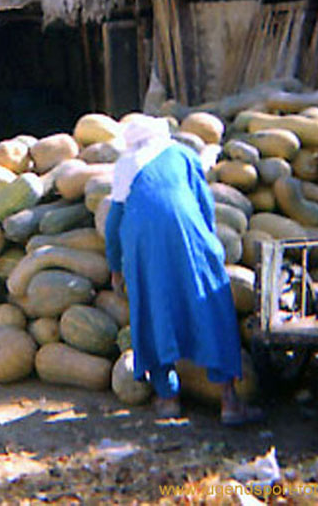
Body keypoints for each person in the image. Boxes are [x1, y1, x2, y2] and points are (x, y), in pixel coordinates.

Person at [104, 114, 264, 425]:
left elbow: (113, 222)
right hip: (187, 233)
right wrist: (209, 247)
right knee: (209, 304)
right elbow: (204, 204)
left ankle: (167, 399)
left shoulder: (125, 164)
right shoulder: (183, 155)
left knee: (152, 307)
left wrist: (116, 266)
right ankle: (229, 401)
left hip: (141, 242)